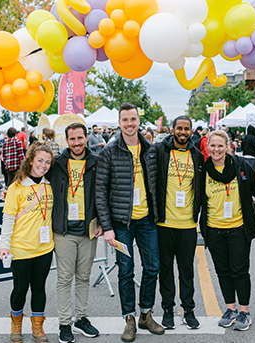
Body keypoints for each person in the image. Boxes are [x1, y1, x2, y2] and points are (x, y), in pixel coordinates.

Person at [96, 102, 164, 342]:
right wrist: (107, 226)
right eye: (125, 120)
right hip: (121, 224)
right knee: (125, 271)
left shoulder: (151, 150)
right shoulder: (110, 151)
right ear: (119, 123)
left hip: (147, 220)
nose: (129, 124)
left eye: (133, 119)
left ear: (138, 121)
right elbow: (100, 191)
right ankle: (129, 319)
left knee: (153, 267)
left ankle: (145, 313)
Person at [199, 130, 255, 331]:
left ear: (228, 146)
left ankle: (244, 312)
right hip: (214, 229)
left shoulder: (241, 166)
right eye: (212, 146)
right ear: (208, 148)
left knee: (239, 271)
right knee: (222, 271)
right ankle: (230, 309)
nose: (216, 149)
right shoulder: (203, 170)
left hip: (238, 229)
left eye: (220, 145)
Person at [0, 142, 55, 343]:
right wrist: (3, 244)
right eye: (40, 160)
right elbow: (8, 218)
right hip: (21, 249)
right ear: (30, 160)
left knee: (39, 288)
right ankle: (16, 323)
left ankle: (38, 327)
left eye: (48, 162)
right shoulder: (16, 187)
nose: (44, 165)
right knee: (20, 289)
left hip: (45, 249)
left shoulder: (51, 185)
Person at [50, 122, 103, 343]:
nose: (77, 143)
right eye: (72, 139)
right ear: (67, 140)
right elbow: (33, 179)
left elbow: (103, 193)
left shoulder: (96, 163)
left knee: (83, 276)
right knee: (64, 278)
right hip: (63, 230)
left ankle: (81, 318)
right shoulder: (57, 164)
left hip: (88, 229)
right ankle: (64, 322)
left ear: (86, 137)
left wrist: (102, 221)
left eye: (80, 138)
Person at [152, 115, 204, 330]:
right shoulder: (160, 152)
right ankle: (167, 310)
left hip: (188, 225)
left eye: (187, 129)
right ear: (172, 130)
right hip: (164, 224)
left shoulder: (197, 156)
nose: (183, 132)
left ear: (191, 131)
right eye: (179, 128)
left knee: (186, 270)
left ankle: (189, 309)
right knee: (165, 270)